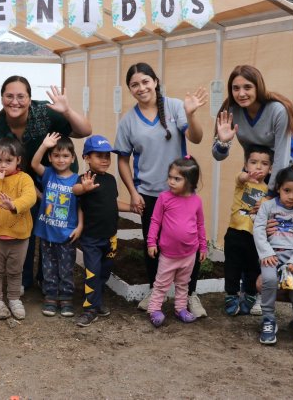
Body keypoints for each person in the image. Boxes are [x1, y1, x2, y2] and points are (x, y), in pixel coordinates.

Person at [115, 62, 208, 316]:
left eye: (145, 81)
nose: (141, 87)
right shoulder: (128, 122)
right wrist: (133, 193)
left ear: (155, 81)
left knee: (188, 241)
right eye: (135, 84)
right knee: (153, 243)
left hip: (182, 193)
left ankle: (190, 294)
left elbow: (197, 138)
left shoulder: (176, 106)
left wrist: (191, 115)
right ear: (130, 90)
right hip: (149, 193)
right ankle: (156, 291)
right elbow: (122, 158)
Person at [0, 75, 92, 291]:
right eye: (9, 96)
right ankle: (22, 280)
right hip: (20, 181)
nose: (15, 102)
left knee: (51, 226)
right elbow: (1, 164)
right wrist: (25, 186)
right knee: (24, 225)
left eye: (21, 96)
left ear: (30, 98)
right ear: (2, 98)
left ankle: (47, 278)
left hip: (56, 177)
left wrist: (67, 111)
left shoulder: (45, 112)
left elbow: (84, 131)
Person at [72, 135, 131, 327]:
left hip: (110, 237)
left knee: (104, 272)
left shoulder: (112, 180)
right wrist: (84, 188)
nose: (105, 159)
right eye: (99, 155)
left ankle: (97, 301)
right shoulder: (85, 179)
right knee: (93, 272)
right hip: (91, 239)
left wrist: (131, 208)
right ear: (86, 158)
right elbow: (75, 190)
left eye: (107, 155)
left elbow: (112, 203)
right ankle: (90, 309)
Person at [213, 64, 293, 190]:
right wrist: (223, 142)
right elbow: (218, 156)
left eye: (247, 87)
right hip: (254, 174)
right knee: (246, 209)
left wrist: (271, 194)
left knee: (271, 209)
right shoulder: (231, 111)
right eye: (236, 88)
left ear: (258, 87)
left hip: (283, 173)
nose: (241, 94)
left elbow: (282, 159)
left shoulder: (278, 111)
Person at [253, 166, 293, 346]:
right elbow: (258, 230)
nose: (291, 196)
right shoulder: (267, 206)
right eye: (287, 190)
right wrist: (266, 252)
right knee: (269, 281)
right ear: (279, 187)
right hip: (272, 255)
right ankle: (268, 320)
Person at [0, 138, 37, 320]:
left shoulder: (24, 178)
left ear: (18, 160)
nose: (3, 165)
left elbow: (30, 198)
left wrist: (13, 205)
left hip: (20, 236)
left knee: (15, 270)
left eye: (8, 161)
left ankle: (14, 298)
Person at [145, 156, 207, 326]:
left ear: (190, 181)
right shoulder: (164, 198)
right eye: (170, 177)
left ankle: (180, 309)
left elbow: (200, 224)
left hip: (189, 253)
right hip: (168, 254)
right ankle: (154, 309)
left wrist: (203, 247)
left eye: (177, 179)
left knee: (183, 284)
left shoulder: (196, 201)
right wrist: (151, 242)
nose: (171, 181)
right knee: (161, 284)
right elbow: (155, 221)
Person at [31, 133, 82, 318]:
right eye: (57, 155)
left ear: (73, 158)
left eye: (66, 156)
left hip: (68, 233)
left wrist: (80, 227)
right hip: (46, 232)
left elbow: (81, 206)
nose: (61, 159)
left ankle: (67, 298)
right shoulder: (48, 174)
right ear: (51, 157)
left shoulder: (77, 180)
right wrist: (44, 145)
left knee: (66, 267)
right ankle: (51, 296)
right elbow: (34, 164)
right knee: (48, 266)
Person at [223, 145, 273, 317]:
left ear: (271, 168)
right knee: (232, 267)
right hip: (235, 232)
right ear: (246, 165)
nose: (258, 167)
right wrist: (247, 176)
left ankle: (250, 296)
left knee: (253, 268)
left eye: (264, 163)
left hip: (255, 237)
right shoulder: (242, 181)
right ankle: (231, 296)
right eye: (253, 162)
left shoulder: (268, 192)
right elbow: (241, 177)